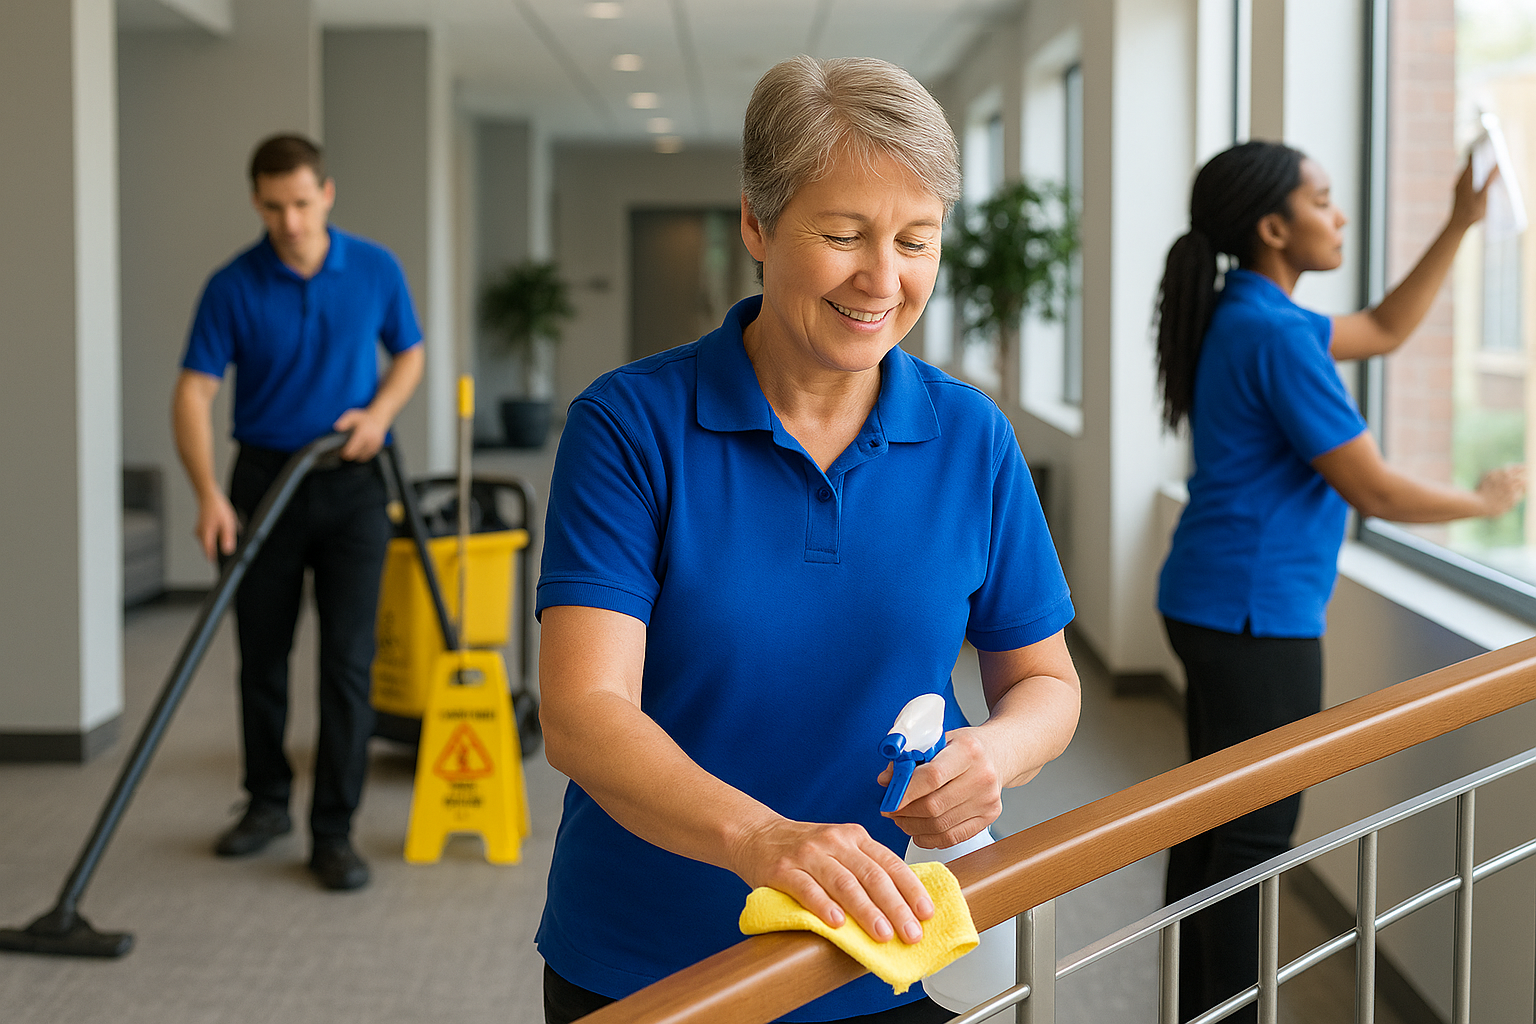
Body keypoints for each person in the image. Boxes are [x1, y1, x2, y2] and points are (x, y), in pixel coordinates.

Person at [534, 56, 1081, 1024]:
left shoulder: (972, 438)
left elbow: (1046, 683)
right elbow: (582, 712)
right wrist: (763, 839)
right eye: (843, 235)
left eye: (918, 240)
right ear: (756, 221)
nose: (884, 279)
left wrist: (994, 755)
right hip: (653, 964)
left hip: (887, 952)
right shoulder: (629, 426)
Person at [1154, 140, 1526, 1021]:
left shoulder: (1245, 308)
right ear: (1274, 227)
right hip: (1254, 616)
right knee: (1254, 840)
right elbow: (1375, 487)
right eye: (1324, 200)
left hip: (1208, 597)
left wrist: (1460, 223)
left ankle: (1188, 1006)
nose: (1341, 214)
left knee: (1207, 818)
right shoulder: (1276, 333)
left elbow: (1387, 329)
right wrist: (1479, 504)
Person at [172, 134, 424, 891]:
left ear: (328, 194)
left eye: (302, 203)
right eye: (274, 206)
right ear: (257, 201)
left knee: (347, 663)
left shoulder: (375, 268)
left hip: (349, 483)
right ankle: (267, 802)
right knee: (263, 658)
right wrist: (208, 492)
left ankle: (333, 830)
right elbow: (194, 392)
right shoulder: (232, 286)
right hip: (262, 484)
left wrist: (380, 411)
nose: (289, 220)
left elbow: (408, 352)